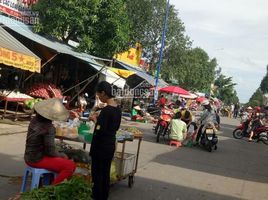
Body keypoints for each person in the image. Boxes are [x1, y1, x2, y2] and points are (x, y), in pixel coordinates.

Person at [24, 98, 76, 185]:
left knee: (63, 159)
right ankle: (51, 190)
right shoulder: (49, 128)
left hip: (28, 156)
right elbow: (50, 151)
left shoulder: (34, 120)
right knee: (70, 165)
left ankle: (47, 183)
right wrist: (62, 155)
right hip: (37, 159)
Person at [89, 81, 122, 200]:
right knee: (105, 174)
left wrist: (94, 119)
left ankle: (97, 197)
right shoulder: (118, 109)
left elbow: (99, 130)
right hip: (110, 146)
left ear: (103, 93)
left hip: (100, 148)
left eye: (98, 95)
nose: (99, 98)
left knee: (97, 175)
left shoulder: (106, 110)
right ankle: (104, 196)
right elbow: (116, 127)